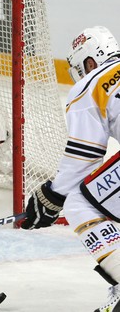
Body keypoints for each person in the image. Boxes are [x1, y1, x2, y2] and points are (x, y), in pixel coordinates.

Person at [21, 26, 120, 311]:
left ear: (90, 63)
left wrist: (51, 198)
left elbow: (84, 159)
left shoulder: (91, 85)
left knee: (80, 202)